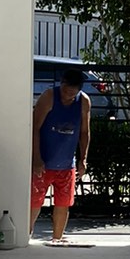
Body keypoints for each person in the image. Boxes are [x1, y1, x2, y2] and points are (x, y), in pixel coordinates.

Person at [31, 65, 90, 243]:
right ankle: (26, 235)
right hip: (43, 162)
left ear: (78, 91)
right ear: (61, 84)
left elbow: (85, 132)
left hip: (66, 163)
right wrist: (36, 158)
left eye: (71, 94)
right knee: (34, 201)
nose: (66, 96)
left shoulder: (83, 101)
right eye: (64, 91)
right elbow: (34, 127)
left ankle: (57, 238)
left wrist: (83, 159)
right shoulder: (49, 97)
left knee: (63, 203)